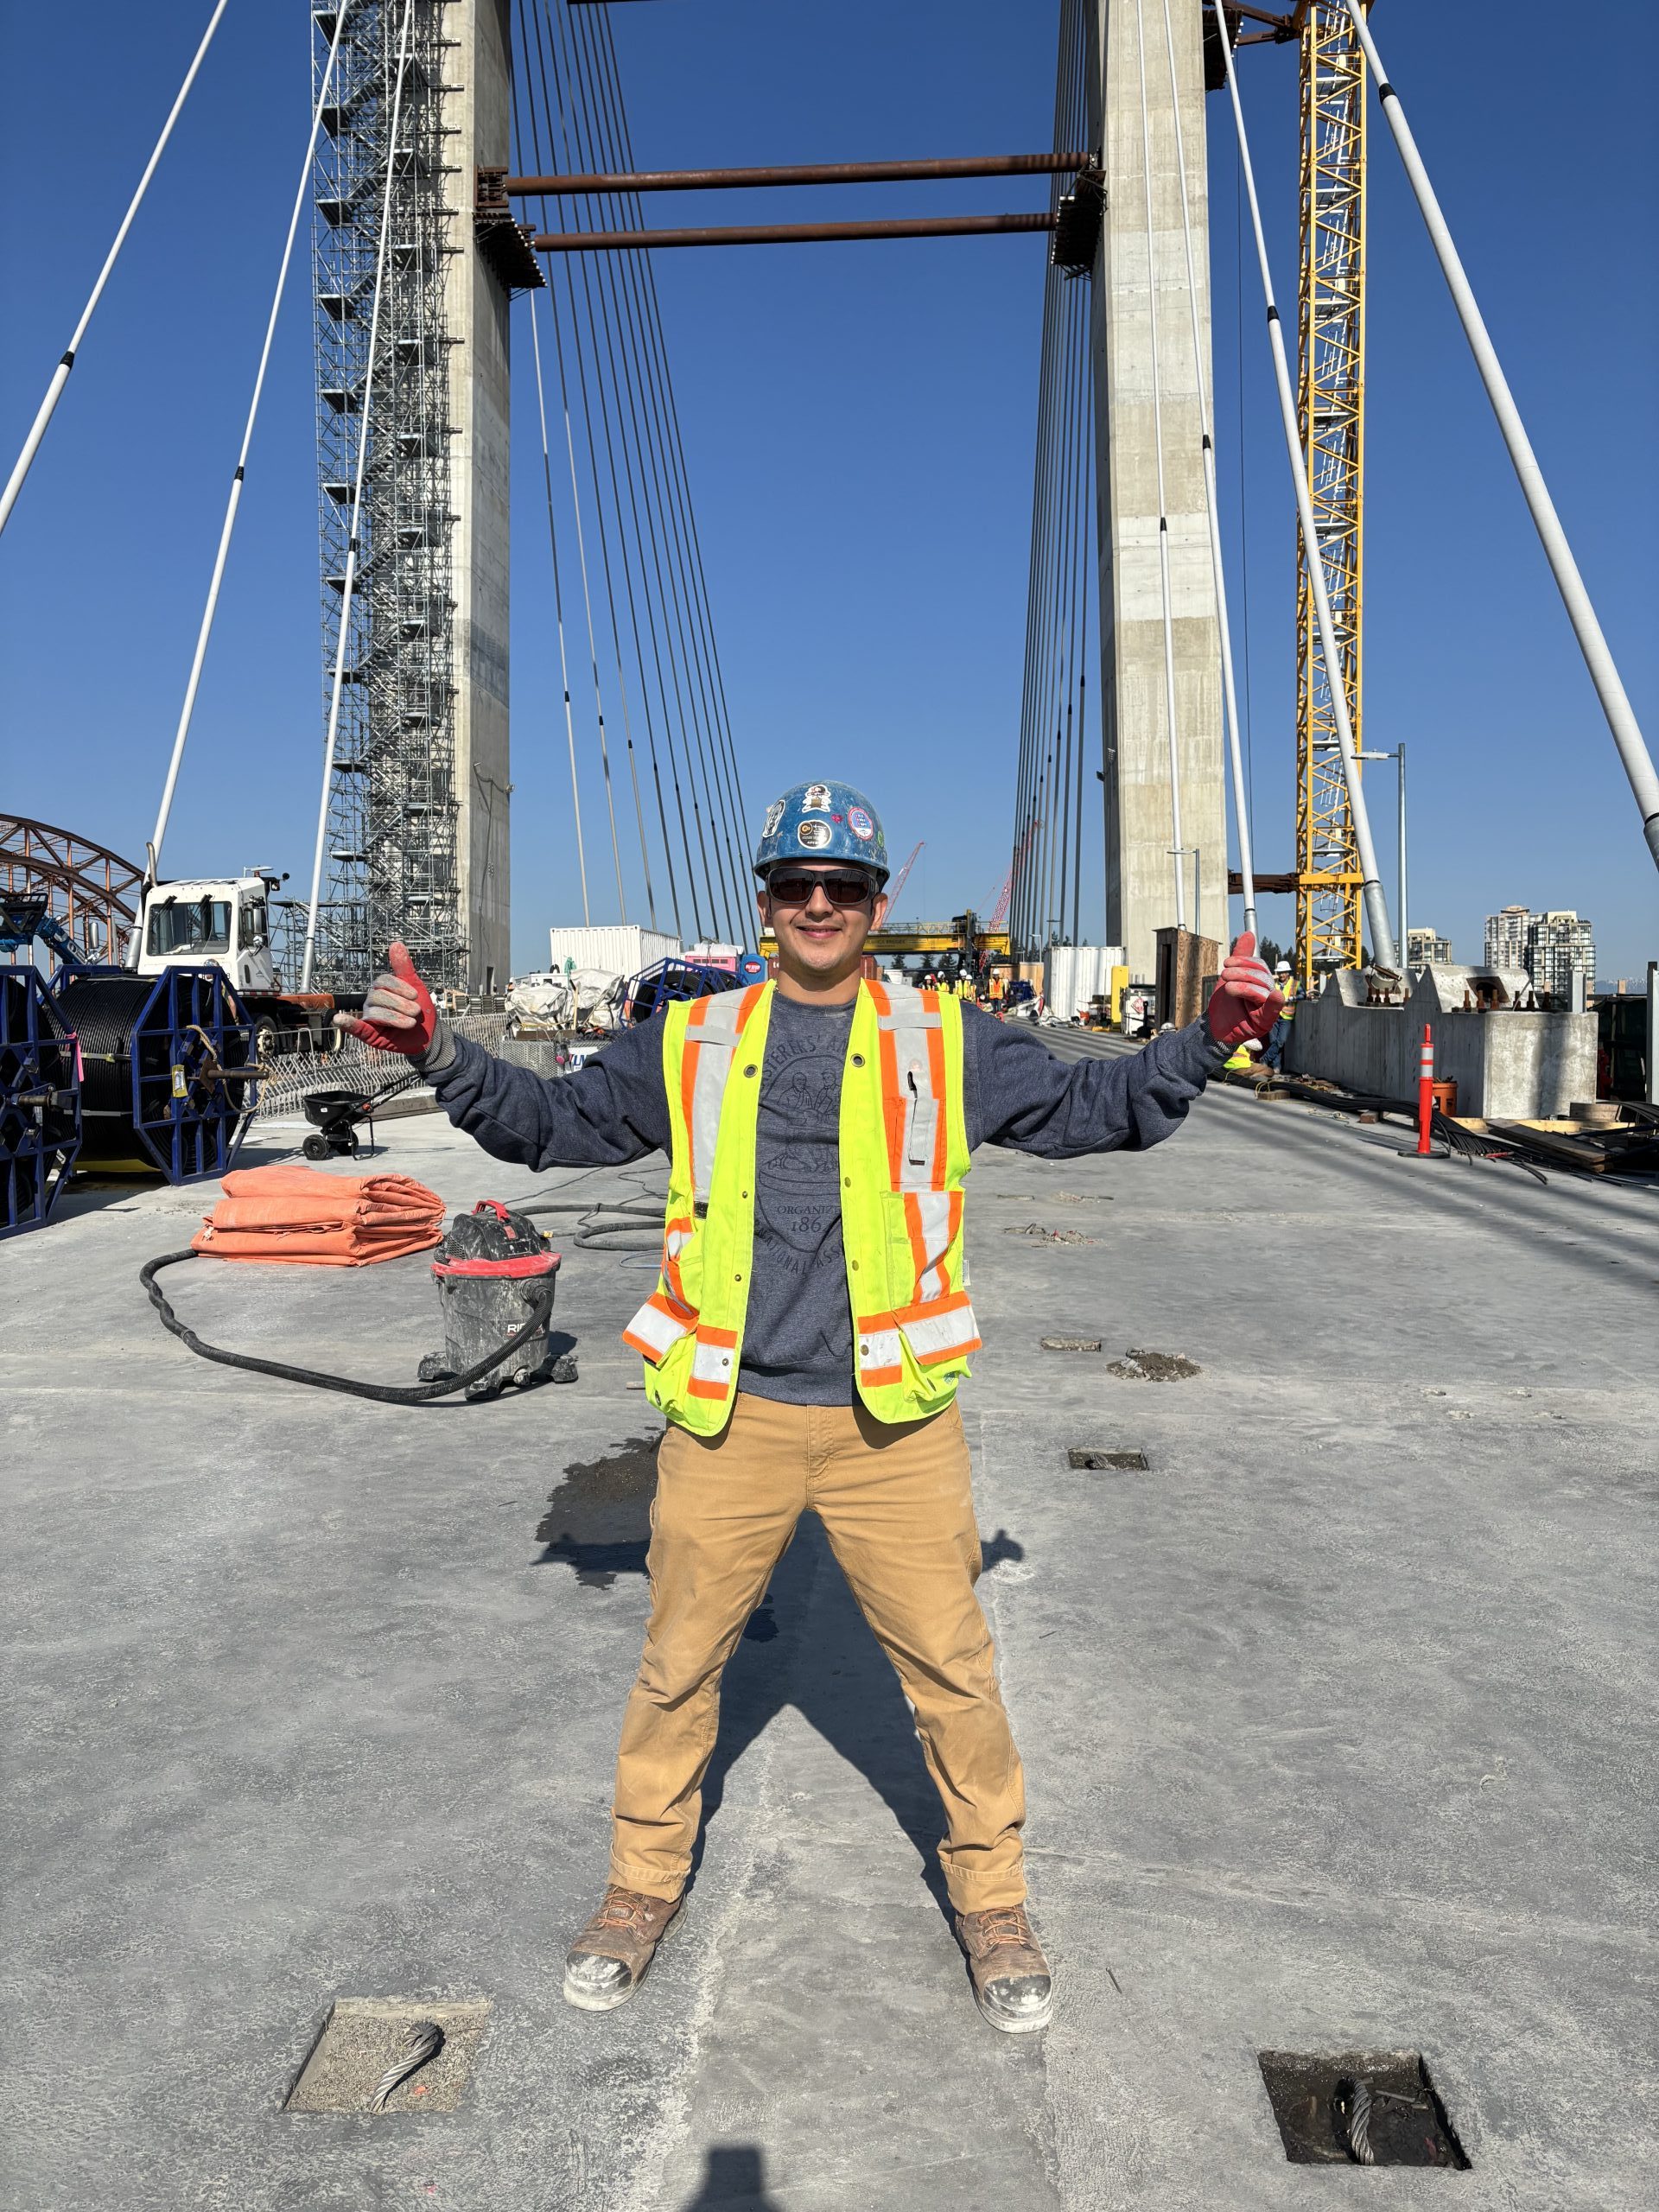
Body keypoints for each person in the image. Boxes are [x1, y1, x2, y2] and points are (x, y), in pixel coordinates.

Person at [340, 780, 1281, 2037]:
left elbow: (1094, 1109)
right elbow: (554, 1124)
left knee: (952, 1673)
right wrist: (440, 1058)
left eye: (844, 889)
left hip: (893, 1426)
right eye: (797, 886)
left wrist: (1207, 1038)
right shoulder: (690, 1038)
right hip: (730, 1418)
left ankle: (992, 1901)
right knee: (678, 1669)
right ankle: (638, 1888)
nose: (820, 906)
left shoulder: (950, 1038)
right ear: (768, 904)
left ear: (879, 909)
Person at [1262, 959, 1298, 1071]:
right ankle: (1276, 1067)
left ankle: (1265, 1059)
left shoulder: (1295, 984)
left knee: (1280, 1041)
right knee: (1273, 1042)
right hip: (1273, 1017)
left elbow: (1303, 995)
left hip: (1286, 1017)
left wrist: (1291, 999)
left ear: (1288, 973)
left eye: (1283, 972)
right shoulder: (1274, 985)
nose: (1281, 975)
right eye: (1280, 973)